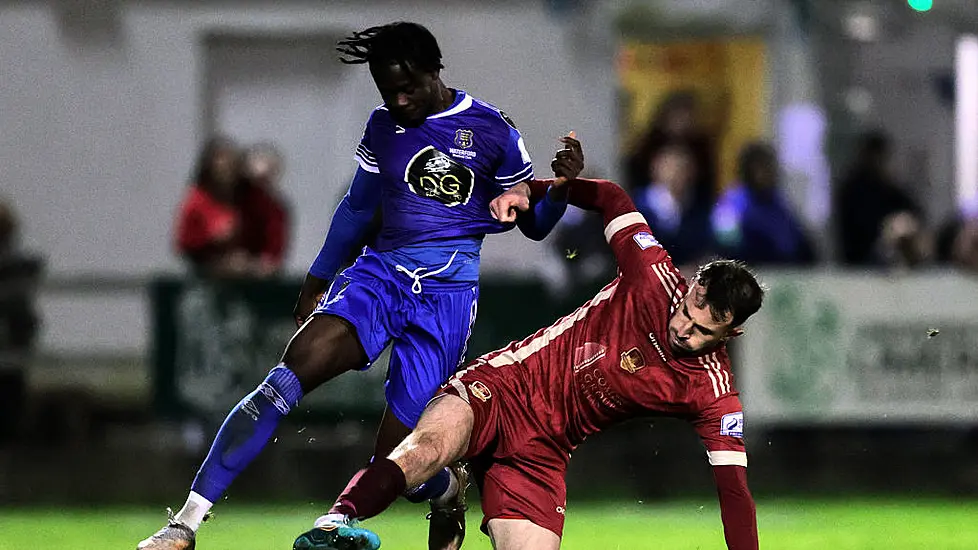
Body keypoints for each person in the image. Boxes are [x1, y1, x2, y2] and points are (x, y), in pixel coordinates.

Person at [137, 22, 573, 550]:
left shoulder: (493, 131)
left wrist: (561, 189)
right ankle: (185, 522)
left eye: (406, 87)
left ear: (434, 70)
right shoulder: (382, 126)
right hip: (380, 276)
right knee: (287, 375)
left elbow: (535, 224)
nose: (398, 99)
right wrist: (317, 277)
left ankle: (443, 485)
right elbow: (358, 208)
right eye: (387, 90)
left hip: (446, 301)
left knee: (399, 461)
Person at [291, 141, 763, 550]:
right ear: (691, 284)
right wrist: (531, 189)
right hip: (503, 386)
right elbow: (613, 197)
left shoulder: (713, 393)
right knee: (426, 449)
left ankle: (447, 491)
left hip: (544, 452)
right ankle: (337, 521)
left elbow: (735, 494)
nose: (685, 329)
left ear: (731, 334)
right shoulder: (652, 276)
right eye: (690, 308)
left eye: (704, 331)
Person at [712, 141, 816, 266]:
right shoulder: (731, 203)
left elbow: (796, 242)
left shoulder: (778, 203)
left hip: (783, 272)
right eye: (760, 168)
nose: (767, 173)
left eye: (770, 167)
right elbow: (726, 245)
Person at [174, 136, 250, 278]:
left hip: (246, 279)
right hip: (205, 279)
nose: (227, 167)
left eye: (232, 163)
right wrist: (212, 240)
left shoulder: (246, 200)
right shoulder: (197, 199)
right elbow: (184, 243)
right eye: (221, 161)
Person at [632, 141, 715, 267]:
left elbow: (705, 246)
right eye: (669, 167)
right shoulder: (637, 205)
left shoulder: (699, 207)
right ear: (654, 168)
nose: (675, 173)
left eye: (682, 168)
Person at [237, 142, 290, 277]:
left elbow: (273, 256)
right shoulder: (232, 203)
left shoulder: (276, 210)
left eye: (265, 180)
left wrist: (252, 265)